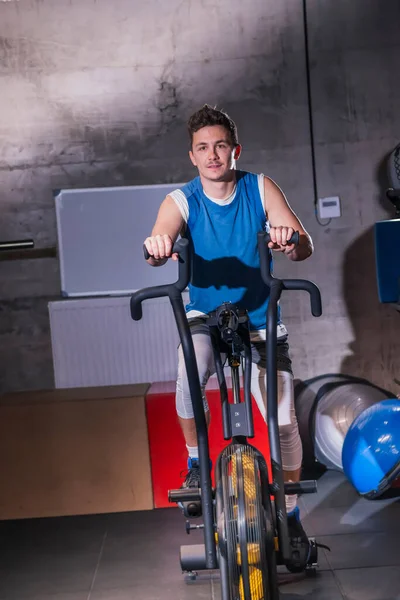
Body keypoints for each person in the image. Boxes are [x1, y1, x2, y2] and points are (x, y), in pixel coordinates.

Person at [144, 104, 314, 569]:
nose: (213, 155)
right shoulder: (182, 200)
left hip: (260, 320)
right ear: (193, 157)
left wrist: (288, 239)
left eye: (221, 145)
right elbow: (159, 239)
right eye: (203, 148)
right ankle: (198, 460)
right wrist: (159, 246)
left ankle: (292, 513)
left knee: (281, 419)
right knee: (190, 371)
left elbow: (303, 246)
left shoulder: (260, 188)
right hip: (206, 316)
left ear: (235, 150)